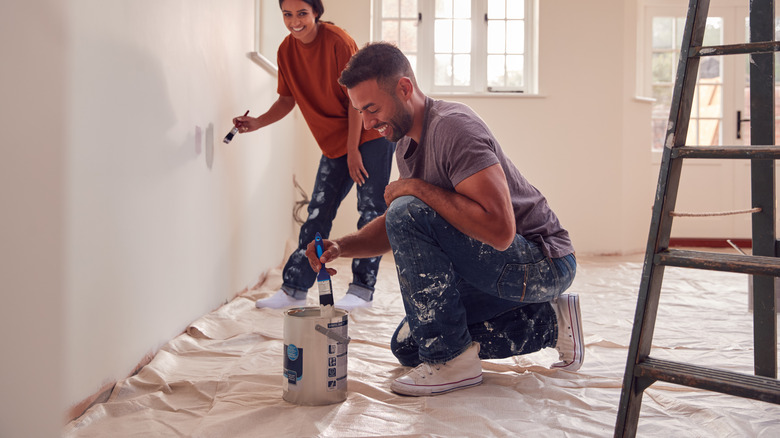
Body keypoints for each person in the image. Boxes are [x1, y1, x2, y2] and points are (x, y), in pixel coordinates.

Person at [306, 42, 583, 397]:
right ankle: (552, 322)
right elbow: (397, 226)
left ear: (404, 89)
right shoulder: (406, 144)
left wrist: (415, 188)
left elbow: (500, 231)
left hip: (543, 263)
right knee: (410, 345)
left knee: (410, 214)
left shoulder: (454, 128)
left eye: (371, 108)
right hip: (500, 267)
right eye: (360, 111)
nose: (368, 123)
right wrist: (340, 247)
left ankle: (453, 362)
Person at [233, 0, 395, 311]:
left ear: (316, 13)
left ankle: (362, 291)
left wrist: (353, 151)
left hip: (371, 133)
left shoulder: (338, 42)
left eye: (302, 13)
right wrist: (257, 123)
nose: (295, 21)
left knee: (371, 211)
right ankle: (294, 288)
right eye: (287, 14)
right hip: (336, 142)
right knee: (318, 213)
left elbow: (355, 102)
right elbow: (286, 99)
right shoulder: (285, 51)